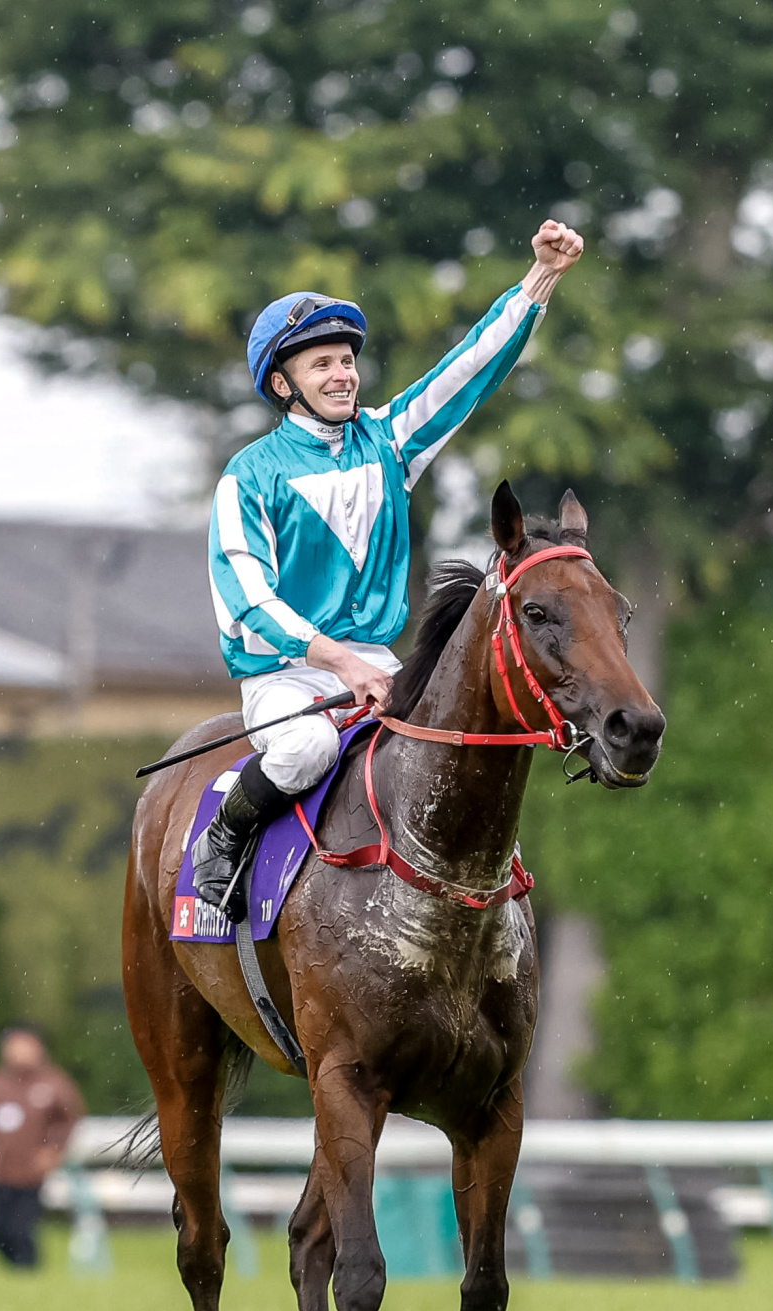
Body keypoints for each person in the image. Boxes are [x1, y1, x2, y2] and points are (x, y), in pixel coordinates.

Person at [191, 218, 588, 913]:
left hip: (379, 662)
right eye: (322, 364)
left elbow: (467, 371)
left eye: (346, 360)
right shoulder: (248, 478)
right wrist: (343, 666)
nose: (342, 373)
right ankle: (225, 838)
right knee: (306, 751)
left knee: (458, 763)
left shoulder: (388, 442)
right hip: (287, 678)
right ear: (283, 385)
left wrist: (541, 278)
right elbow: (248, 603)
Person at [0, 1024, 85, 1270]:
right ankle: (18, 1271)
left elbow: (70, 1119)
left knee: (21, 1229)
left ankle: (28, 1272)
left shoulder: (53, 1083)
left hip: (32, 1173)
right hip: (2, 1169)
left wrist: (54, 1151)